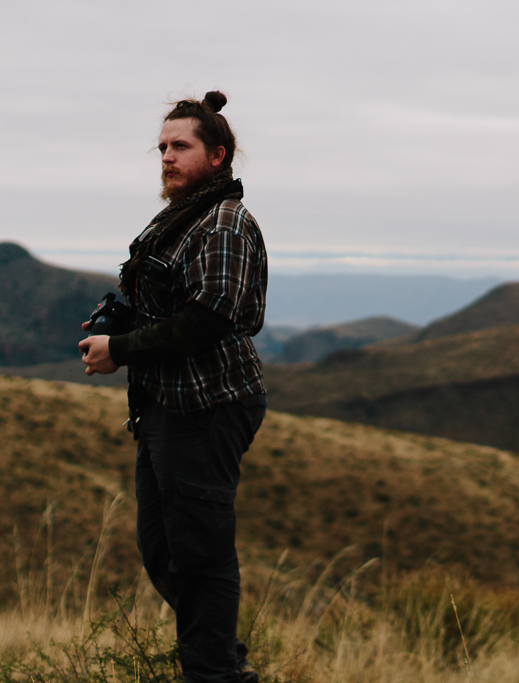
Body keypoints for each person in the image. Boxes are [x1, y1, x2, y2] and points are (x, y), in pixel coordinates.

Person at [79, 90, 267, 683]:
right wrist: (124, 322)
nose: (166, 156)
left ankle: (215, 673)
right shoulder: (180, 217)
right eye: (162, 146)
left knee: (201, 553)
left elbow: (210, 317)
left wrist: (124, 349)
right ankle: (220, 660)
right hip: (165, 405)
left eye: (180, 146)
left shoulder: (226, 222)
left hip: (209, 406)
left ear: (218, 155)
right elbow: (175, 305)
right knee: (163, 549)